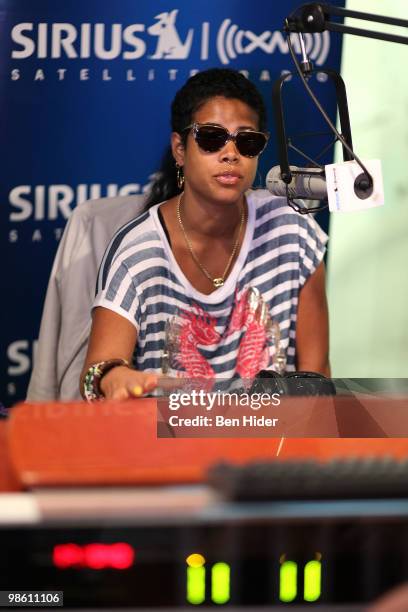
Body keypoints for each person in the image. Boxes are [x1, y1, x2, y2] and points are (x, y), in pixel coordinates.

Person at [80, 68, 330, 401]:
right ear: (180, 149)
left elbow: (318, 376)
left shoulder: (292, 230)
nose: (231, 154)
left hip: (273, 442)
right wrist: (112, 378)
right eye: (212, 138)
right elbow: (96, 374)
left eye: (247, 141)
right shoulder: (139, 252)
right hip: (169, 444)